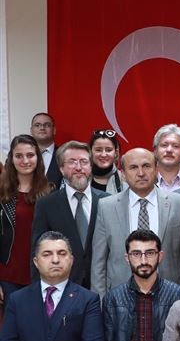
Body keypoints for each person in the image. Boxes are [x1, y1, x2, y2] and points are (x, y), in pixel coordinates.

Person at [91, 147, 180, 297]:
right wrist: (102, 302)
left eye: (146, 166)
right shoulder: (106, 206)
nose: (140, 173)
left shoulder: (178, 203)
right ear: (123, 174)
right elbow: (98, 263)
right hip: (120, 297)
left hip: (170, 296)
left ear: (156, 169)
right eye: (133, 167)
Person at [32, 140, 105, 289]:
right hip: (62, 285)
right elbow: (38, 249)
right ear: (61, 168)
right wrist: (38, 290)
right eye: (71, 162)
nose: (79, 168)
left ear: (91, 166)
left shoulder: (107, 201)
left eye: (84, 162)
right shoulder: (47, 205)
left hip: (101, 286)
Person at [0, 134, 51, 301]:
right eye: (19, 156)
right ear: (11, 159)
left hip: (42, 273)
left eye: (30, 155)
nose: (25, 161)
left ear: (38, 158)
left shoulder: (51, 192)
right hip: (7, 276)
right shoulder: (2, 192)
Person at [153, 124, 180, 192]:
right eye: (164, 145)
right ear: (155, 151)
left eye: (175, 146)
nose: (169, 150)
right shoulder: (144, 182)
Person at [30, 112, 62, 189]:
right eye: (37, 125)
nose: (42, 128)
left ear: (54, 130)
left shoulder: (64, 155)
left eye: (47, 125)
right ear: (31, 131)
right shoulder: (19, 156)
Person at [89, 128, 124, 194]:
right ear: (90, 152)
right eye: (98, 150)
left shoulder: (126, 180)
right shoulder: (80, 178)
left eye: (109, 150)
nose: (103, 155)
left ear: (116, 153)